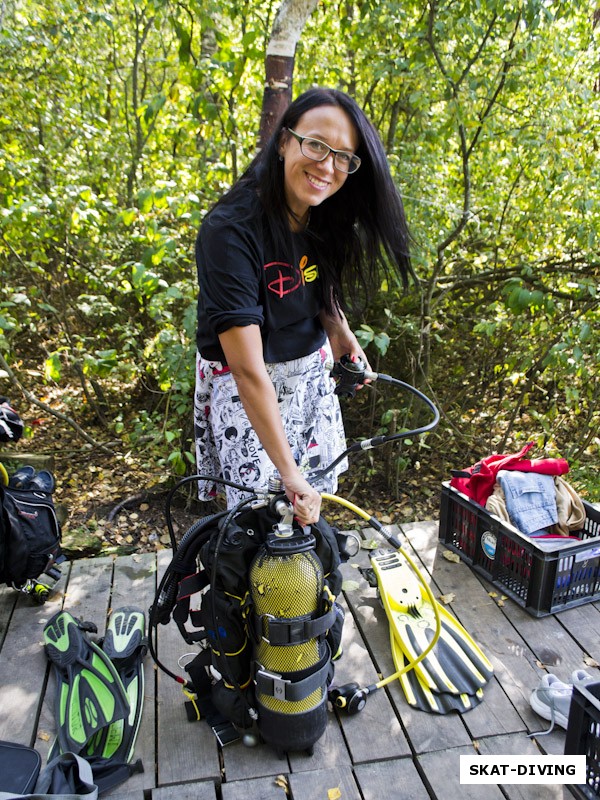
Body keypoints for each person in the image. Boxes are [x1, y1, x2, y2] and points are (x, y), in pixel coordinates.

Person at [194, 87, 412, 525]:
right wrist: (288, 473)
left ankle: (308, 591)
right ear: (283, 142)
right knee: (259, 525)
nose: (327, 166)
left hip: (308, 378)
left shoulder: (324, 210)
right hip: (248, 391)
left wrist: (339, 330)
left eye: (343, 157)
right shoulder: (231, 230)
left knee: (311, 517)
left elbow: (316, 277)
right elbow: (246, 369)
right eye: (316, 145)